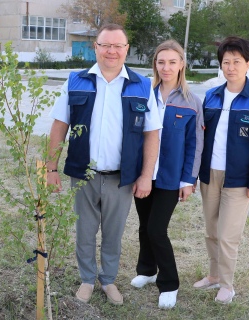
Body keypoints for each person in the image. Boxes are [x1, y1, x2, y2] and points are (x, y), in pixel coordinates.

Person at [47, 23, 162, 306]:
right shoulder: (75, 81)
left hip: (121, 178)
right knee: (84, 232)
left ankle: (108, 280)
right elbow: (59, 126)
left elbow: (152, 134)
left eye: (117, 46)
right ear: (96, 48)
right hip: (82, 175)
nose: (111, 51)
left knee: (113, 235)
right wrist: (51, 168)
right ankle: (87, 279)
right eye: (105, 45)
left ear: (126, 50)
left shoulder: (142, 85)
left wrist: (146, 175)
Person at [193, 36, 249, 304]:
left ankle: (227, 285)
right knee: (211, 230)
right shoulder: (212, 96)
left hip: (239, 179)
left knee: (228, 235)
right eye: (226, 62)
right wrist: (194, 174)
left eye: (237, 62)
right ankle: (214, 275)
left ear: (248, 63)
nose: (231, 67)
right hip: (210, 175)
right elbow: (201, 138)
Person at [130, 40, 204, 309]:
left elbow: (195, 146)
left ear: (182, 64)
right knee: (143, 225)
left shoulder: (192, 102)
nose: (166, 67)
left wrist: (188, 180)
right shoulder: (143, 95)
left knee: (156, 229)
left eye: (172, 62)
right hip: (144, 175)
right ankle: (147, 270)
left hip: (171, 178)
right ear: (155, 64)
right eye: (161, 62)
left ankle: (169, 283)